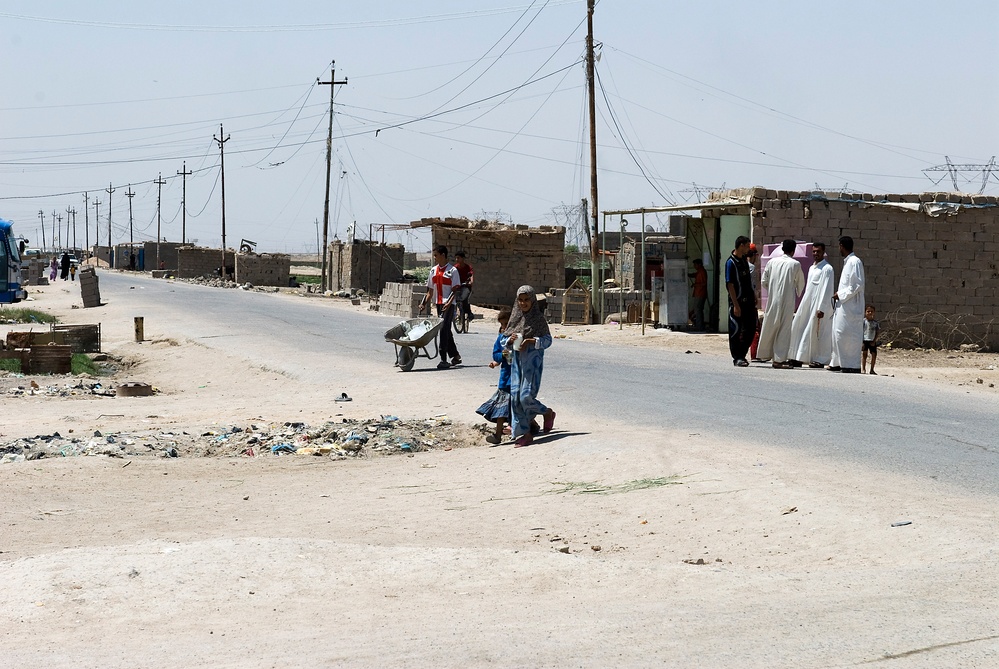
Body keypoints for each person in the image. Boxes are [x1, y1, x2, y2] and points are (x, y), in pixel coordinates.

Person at [505, 285, 555, 448]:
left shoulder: (538, 319)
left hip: (532, 365)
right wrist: (510, 340)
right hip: (516, 364)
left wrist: (533, 341)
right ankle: (524, 434)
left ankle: (547, 412)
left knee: (525, 397)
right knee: (515, 397)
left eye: (527, 300)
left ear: (532, 300)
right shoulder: (515, 318)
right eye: (520, 300)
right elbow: (502, 341)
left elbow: (548, 340)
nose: (523, 303)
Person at [757, 239, 805, 368]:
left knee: (770, 325)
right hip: (787, 301)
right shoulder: (795, 264)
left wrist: (773, 289)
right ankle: (778, 359)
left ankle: (763, 354)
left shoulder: (771, 262)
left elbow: (764, 281)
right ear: (793, 250)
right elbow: (800, 284)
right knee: (784, 329)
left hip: (773, 300)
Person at [788, 242, 835, 368]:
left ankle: (819, 359)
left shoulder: (827, 269)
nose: (815, 254)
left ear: (823, 252)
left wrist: (822, 308)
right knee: (799, 326)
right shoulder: (812, 267)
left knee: (816, 332)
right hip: (808, 303)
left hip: (819, 306)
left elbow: (827, 289)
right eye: (814, 251)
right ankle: (798, 357)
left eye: (818, 251)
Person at [419, 245, 462, 369]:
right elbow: (430, 291)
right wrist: (424, 303)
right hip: (438, 304)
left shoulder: (452, 271)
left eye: (436, 255)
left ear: (443, 255)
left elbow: (455, 290)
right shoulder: (433, 270)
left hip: (448, 304)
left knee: (443, 330)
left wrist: (449, 303)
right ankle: (455, 355)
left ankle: (443, 359)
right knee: (446, 329)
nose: (434, 257)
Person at [476, 307, 513, 445]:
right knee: (501, 409)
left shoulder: (518, 338)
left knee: (518, 406)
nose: (504, 328)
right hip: (505, 379)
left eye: (506, 324)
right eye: (502, 325)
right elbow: (496, 354)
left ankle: (531, 425)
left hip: (517, 378)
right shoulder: (501, 339)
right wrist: (498, 359)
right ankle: (498, 435)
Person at [829, 235, 866, 373]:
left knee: (848, 334)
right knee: (838, 332)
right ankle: (837, 362)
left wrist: (840, 294)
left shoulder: (854, 262)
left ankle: (851, 365)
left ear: (842, 246)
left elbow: (857, 285)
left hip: (851, 306)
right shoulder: (848, 262)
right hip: (844, 306)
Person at [725, 236, 756, 367]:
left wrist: (753, 295)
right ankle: (737, 357)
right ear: (741, 245)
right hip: (737, 302)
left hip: (748, 301)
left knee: (751, 329)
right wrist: (736, 305)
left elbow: (748, 281)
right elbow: (730, 285)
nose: (749, 249)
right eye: (747, 245)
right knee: (736, 330)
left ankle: (742, 354)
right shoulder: (730, 263)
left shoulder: (743, 260)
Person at [453, 250, 475, 327]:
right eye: (456, 258)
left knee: (464, 299)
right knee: (457, 299)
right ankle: (459, 312)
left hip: (466, 286)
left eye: (458, 258)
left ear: (462, 258)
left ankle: (469, 313)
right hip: (458, 286)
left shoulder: (468, 267)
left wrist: (471, 282)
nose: (457, 260)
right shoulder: (455, 268)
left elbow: (471, 275)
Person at [689, 258, 708, 330]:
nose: (694, 266)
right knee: (698, 310)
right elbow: (694, 275)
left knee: (698, 310)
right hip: (699, 293)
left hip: (700, 293)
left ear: (699, 264)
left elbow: (703, 283)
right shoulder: (699, 272)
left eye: (695, 264)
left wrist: (695, 285)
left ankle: (699, 326)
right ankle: (699, 325)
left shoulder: (702, 272)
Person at [862, 305, 880, 375]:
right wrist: (862, 342)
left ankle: (872, 369)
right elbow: (861, 331)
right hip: (865, 340)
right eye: (868, 311)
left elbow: (877, 332)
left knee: (874, 355)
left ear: (874, 313)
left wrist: (874, 340)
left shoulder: (875, 323)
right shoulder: (863, 322)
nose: (870, 313)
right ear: (865, 312)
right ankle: (863, 368)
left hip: (872, 340)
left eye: (871, 311)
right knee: (864, 354)